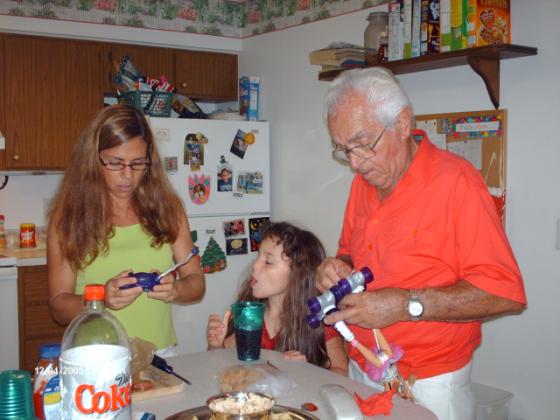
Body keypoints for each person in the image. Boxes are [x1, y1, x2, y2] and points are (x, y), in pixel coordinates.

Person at [317, 67, 526, 419]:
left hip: (428, 382)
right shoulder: (365, 181)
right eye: (344, 149)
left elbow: (505, 292)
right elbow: (351, 252)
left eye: (363, 144)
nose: (354, 163)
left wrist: (406, 304)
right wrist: (338, 268)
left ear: (402, 123)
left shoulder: (456, 183)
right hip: (363, 367)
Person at [48, 104, 205, 356]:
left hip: (159, 354)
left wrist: (175, 289)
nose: (128, 175)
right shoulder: (69, 218)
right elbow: (58, 305)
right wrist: (100, 300)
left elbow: (196, 283)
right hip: (96, 355)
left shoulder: (167, 209)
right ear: (93, 160)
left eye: (138, 163)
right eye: (115, 163)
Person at [207, 222, 348, 375]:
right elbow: (221, 367)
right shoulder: (248, 316)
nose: (255, 265)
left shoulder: (321, 321)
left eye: (268, 261)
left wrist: (307, 372)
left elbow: (341, 371)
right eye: (257, 256)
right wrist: (216, 346)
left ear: (297, 274)